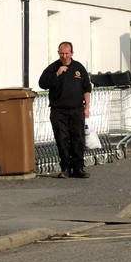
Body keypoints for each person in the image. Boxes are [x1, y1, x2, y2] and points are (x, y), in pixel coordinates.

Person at [39, 41, 92, 178]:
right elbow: (42, 83)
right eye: (61, 53)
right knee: (62, 139)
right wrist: (57, 74)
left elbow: (86, 88)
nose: (64, 56)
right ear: (58, 53)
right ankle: (65, 168)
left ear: (72, 53)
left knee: (77, 138)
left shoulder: (78, 68)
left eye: (67, 53)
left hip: (76, 109)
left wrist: (87, 107)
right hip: (58, 110)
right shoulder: (53, 68)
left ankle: (78, 168)